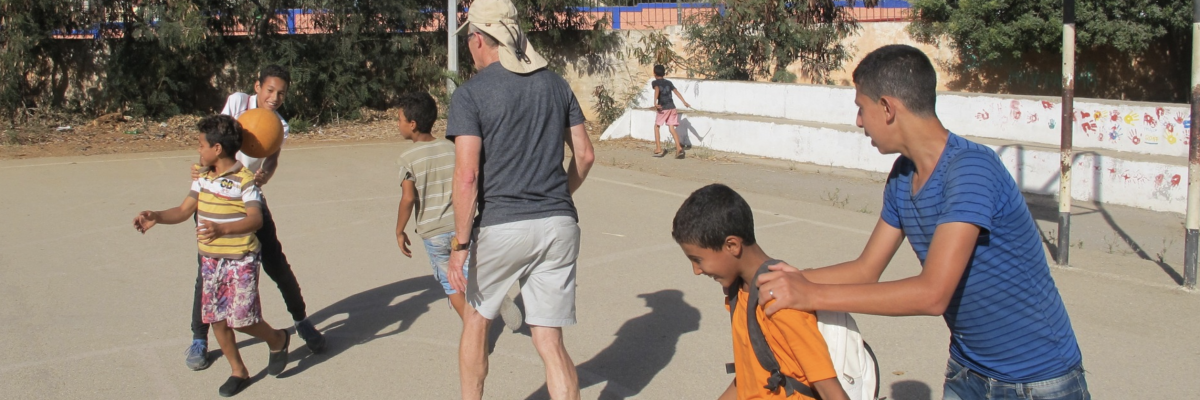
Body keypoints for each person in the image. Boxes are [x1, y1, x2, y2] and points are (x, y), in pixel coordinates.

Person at [754, 45, 1088, 400]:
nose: (858, 121)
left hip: (1038, 382)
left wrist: (812, 293)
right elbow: (866, 269)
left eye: (860, 108)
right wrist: (790, 280)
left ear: (886, 108)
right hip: (968, 373)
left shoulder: (971, 170)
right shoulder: (902, 176)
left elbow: (933, 294)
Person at [444, 0, 595, 398]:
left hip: (503, 224)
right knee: (549, 340)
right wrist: (560, 194)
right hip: (559, 225)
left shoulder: (470, 94)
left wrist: (460, 245)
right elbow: (585, 155)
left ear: (478, 39)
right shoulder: (556, 84)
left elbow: (467, 175)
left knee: (477, 320)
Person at [134, 115, 290, 397]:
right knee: (216, 320)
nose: (198, 150)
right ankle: (238, 370)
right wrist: (156, 215)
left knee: (243, 320)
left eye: (201, 144)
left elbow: (255, 219)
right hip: (210, 261)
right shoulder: (202, 179)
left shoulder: (246, 181)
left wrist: (222, 228)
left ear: (217, 149)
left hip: (240, 260)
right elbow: (183, 211)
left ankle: (277, 338)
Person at [185, 65, 326, 371]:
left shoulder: (279, 125)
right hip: (215, 198)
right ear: (257, 87)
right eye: (270, 90)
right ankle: (199, 339)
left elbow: (272, 160)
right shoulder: (237, 103)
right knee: (206, 271)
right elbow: (213, 138)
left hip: (247, 197)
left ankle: (301, 321)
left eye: (281, 94)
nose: (274, 98)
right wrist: (202, 170)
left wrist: (264, 176)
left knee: (276, 263)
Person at [672, 184, 849, 400]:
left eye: (697, 260)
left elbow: (830, 390)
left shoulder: (779, 302)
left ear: (732, 245)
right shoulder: (738, 294)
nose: (696, 271)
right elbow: (750, 376)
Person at [393, 91, 471, 318]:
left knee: (451, 283)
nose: (398, 125)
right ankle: (483, 301)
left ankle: (473, 328)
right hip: (460, 227)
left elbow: (408, 198)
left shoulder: (408, 158)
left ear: (413, 124)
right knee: (466, 274)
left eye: (399, 120)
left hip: (433, 233)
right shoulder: (452, 148)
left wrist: (399, 230)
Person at [650, 64, 691, 159]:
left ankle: (658, 148)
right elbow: (676, 92)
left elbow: (657, 90)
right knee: (671, 128)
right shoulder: (669, 82)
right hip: (672, 107)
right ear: (664, 73)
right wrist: (684, 102)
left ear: (654, 73)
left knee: (657, 126)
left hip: (663, 108)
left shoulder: (655, 82)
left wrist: (655, 102)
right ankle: (679, 148)